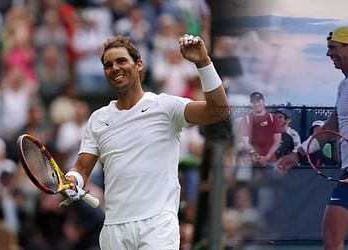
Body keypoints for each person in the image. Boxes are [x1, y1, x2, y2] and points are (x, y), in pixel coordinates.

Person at [61, 34, 229, 249]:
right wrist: (73, 179)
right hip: (114, 229)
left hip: (157, 225)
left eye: (121, 61)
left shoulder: (166, 106)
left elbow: (219, 111)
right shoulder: (98, 119)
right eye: (108, 65)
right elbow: (82, 169)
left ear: (139, 64)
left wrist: (203, 62)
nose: (115, 68)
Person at [276, 26, 348, 250]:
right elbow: (331, 127)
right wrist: (298, 154)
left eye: (333, 48)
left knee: (332, 239)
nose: (329, 54)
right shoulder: (346, 84)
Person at [237, 92, 281, 166]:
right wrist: (256, 156)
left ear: (263, 102)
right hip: (252, 162)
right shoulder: (246, 120)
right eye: (254, 102)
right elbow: (246, 142)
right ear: (251, 104)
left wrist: (267, 157)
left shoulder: (273, 118)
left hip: (270, 162)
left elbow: (277, 141)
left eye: (259, 101)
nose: (257, 104)